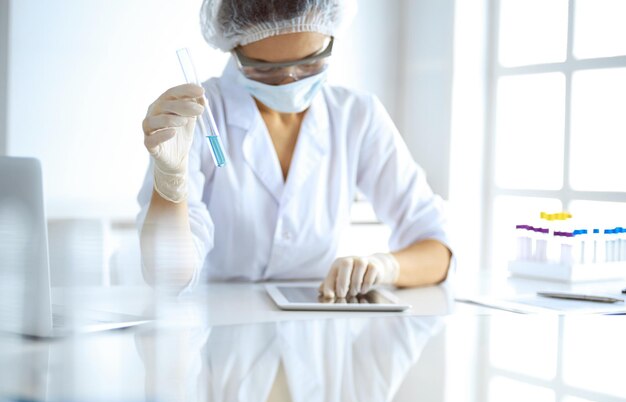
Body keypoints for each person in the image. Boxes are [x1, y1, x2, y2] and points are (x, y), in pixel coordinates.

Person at [138, 0, 452, 298]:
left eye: (309, 63)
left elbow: (437, 249)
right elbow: (168, 277)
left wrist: (384, 267)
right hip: (219, 333)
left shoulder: (357, 116)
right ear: (234, 49)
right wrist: (170, 184)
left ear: (331, 35)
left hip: (316, 329)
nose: (289, 81)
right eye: (265, 70)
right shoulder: (196, 118)